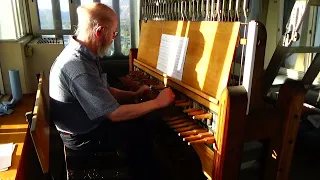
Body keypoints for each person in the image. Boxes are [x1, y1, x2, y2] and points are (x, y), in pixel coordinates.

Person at [49, 2, 175, 179]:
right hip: (82, 136)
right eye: (114, 33)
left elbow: (103, 91)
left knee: (146, 124)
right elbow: (114, 114)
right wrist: (158, 102)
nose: (114, 38)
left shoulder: (85, 53)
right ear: (99, 31)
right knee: (143, 136)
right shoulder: (78, 65)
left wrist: (133, 95)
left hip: (86, 123)